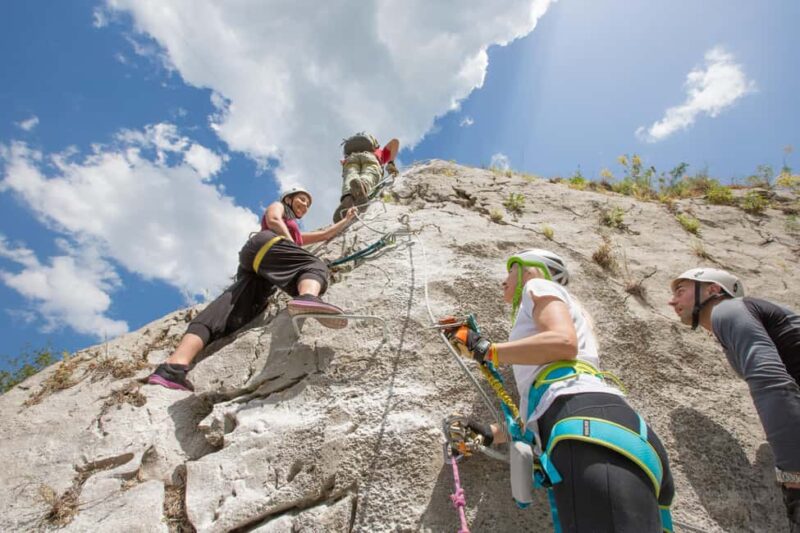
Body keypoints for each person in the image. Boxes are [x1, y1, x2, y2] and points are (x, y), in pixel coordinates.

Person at [445, 249, 674, 532]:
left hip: (589, 435)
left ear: (532, 268)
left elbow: (562, 343)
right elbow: (557, 399)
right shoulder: (571, 320)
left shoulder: (537, 285)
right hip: (612, 433)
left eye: (510, 270)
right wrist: (493, 433)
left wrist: (486, 350)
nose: (504, 281)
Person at [147, 188, 356, 392]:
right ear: (289, 199)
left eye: (309, 205)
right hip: (266, 244)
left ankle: (172, 368)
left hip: (257, 268)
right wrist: (291, 244)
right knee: (315, 266)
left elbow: (324, 234)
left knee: (223, 314)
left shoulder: (297, 233)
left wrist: (346, 220)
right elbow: (273, 219)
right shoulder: (280, 209)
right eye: (302, 199)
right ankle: (308, 297)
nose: (305, 205)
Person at [668, 267, 800, 531]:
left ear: (714, 290)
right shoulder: (734, 323)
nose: (672, 301)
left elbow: (770, 381)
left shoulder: (728, 310)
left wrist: (793, 473)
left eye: (680, 291)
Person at [333, 132, 399, 222]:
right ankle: (362, 187)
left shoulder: (351, 152)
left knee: (350, 176)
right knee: (369, 174)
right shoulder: (380, 152)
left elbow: (342, 162)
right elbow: (395, 141)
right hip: (371, 158)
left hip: (351, 158)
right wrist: (391, 163)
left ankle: (347, 197)